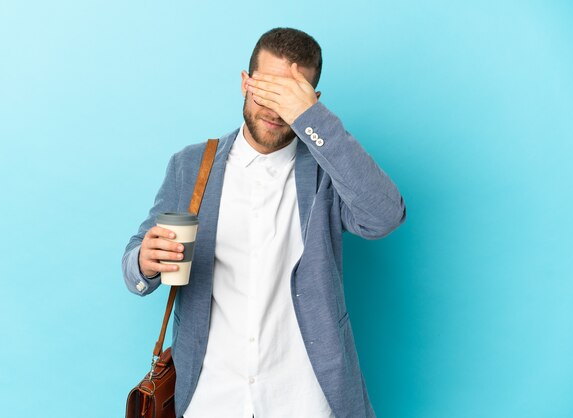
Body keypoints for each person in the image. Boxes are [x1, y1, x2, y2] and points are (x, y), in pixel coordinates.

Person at [122, 27, 406, 418]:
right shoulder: (191, 166)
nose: (274, 109)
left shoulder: (328, 172)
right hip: (211, 398)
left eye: (289, 97)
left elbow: (385, 216)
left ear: (312, 101)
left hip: (306, 398)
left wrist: (314, 121)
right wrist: (143, 260)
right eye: (267, 89)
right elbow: (135, 262)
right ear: (245, 83)